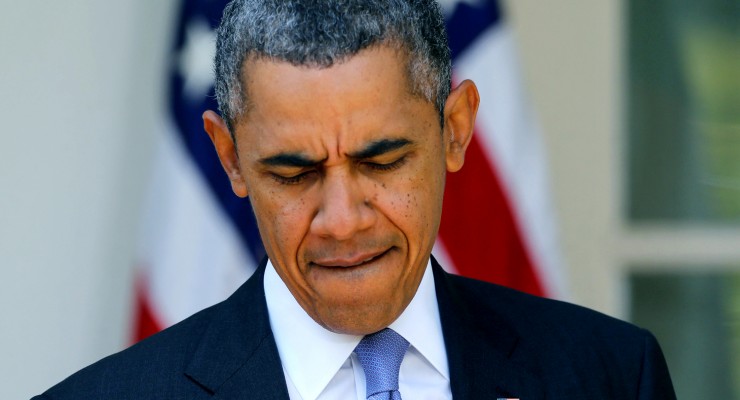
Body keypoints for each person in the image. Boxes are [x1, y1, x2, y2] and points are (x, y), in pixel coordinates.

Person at [34, 0, 676, 399]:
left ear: (456, 129)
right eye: (293, 173)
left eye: (382, 161)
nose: (342, 222)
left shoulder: (611, 377)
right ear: (229, 157)